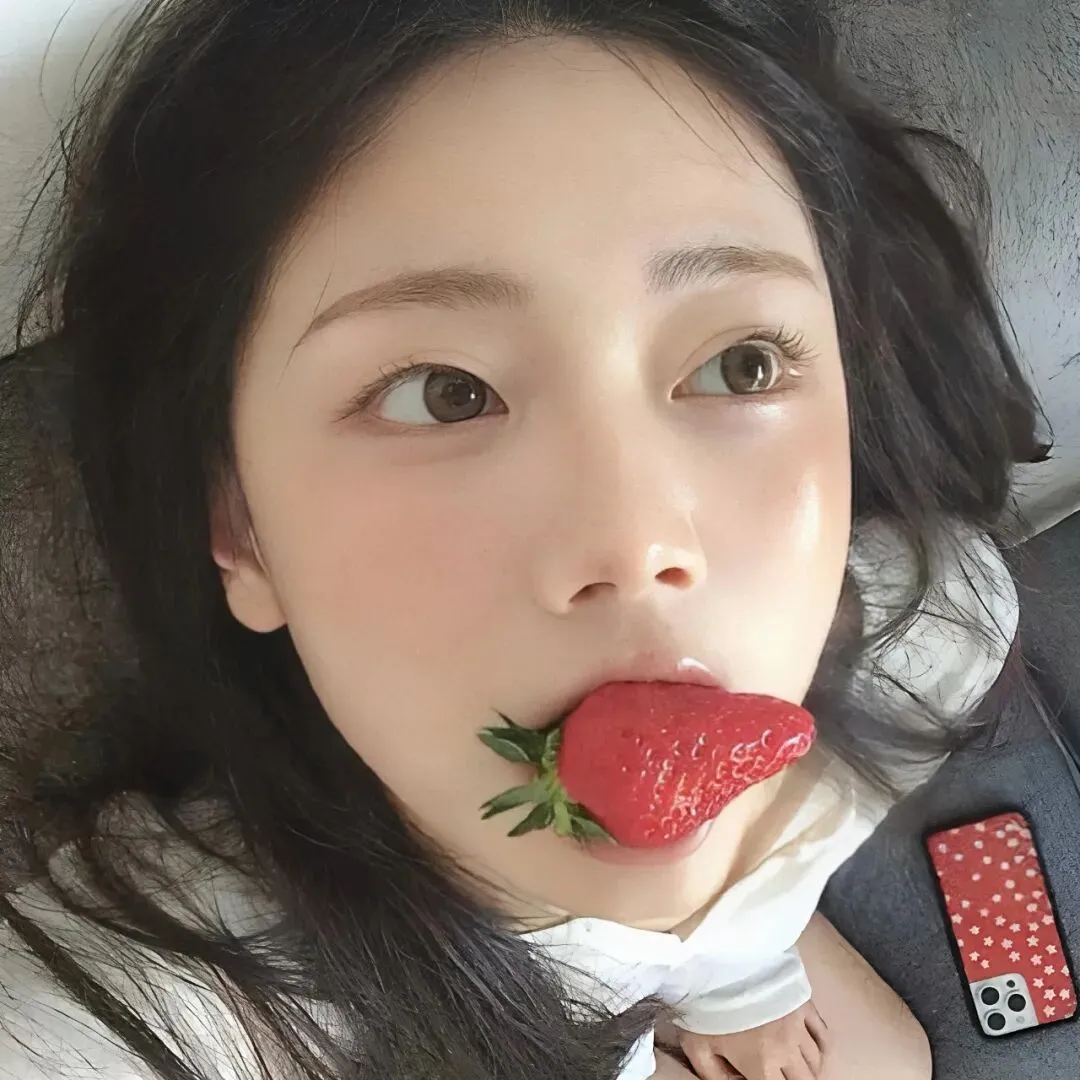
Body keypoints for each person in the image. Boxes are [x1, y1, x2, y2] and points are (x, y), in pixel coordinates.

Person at [0, 1, 1040, 1079]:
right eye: (443, 393)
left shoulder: (931, 634)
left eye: (741, 364)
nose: (637, 543)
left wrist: (745, 977)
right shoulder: (159, 1009)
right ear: (243, 529)